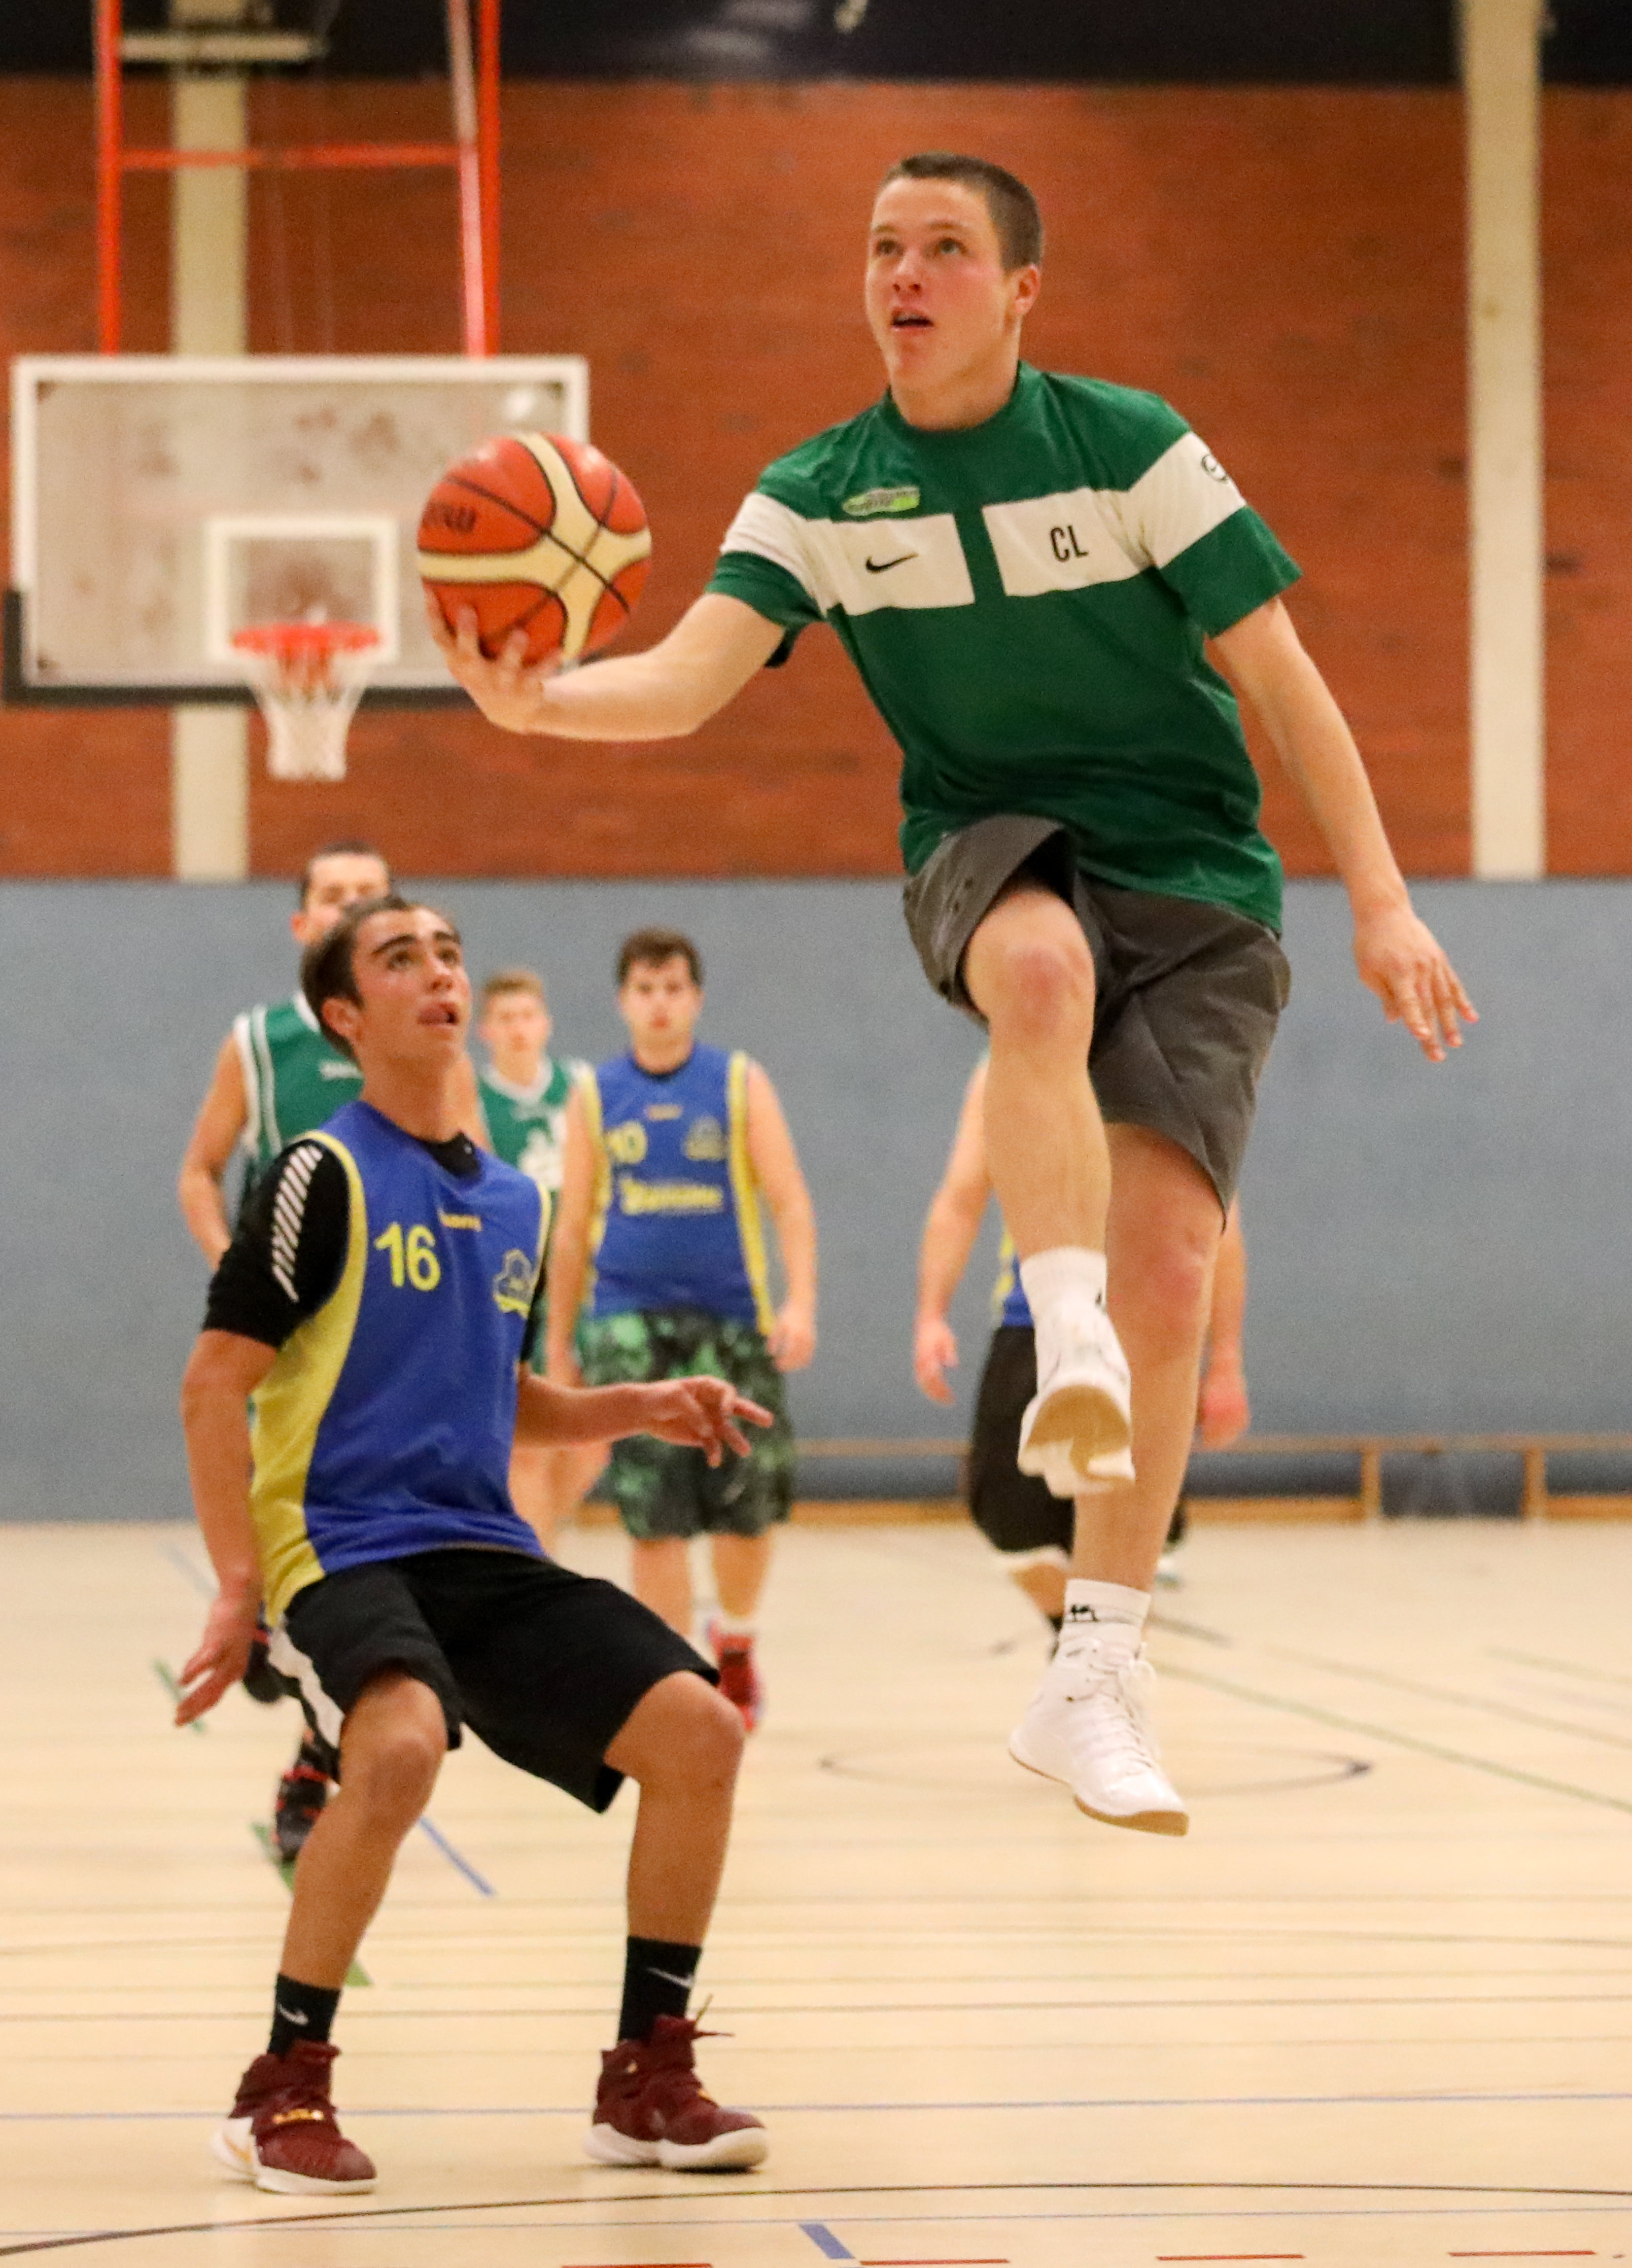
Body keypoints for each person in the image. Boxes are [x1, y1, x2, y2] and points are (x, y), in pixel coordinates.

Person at [431, 151, 1472, 1837]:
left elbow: (1281, 675)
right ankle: (1063, 1330)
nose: (903, 274)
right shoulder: (818, 492)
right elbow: (690, 678)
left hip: (1199, 871)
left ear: (1019, 290)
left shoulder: (1132, 445)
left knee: (1174, 1259)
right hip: (988, 844)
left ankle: (1095, 1675)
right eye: (881, 248)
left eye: (943, 248)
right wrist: (541, 707)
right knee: (1040, 967)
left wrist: (1383, 897)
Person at [176, 894, 771, 2197]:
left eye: (447, 952)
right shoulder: (318, 1174)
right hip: (340, 1540)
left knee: (700, 1732)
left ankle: (644, 2078)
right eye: (401, 958)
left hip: (480, 1545)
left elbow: (498, 1388)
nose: (438, 972)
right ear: (346, 1017)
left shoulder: (511, 1197)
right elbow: (214, 1382)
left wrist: (636, 1405)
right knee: (397, 1747)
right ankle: (282, 2085)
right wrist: (238, 1584)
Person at [176, 840, 487, 1860]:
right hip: (293, 1332)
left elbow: (474, 1172)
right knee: (289, 1552)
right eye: (334, 894)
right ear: (303, 922)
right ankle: (271, 1631)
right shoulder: (258, 1042)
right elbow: (199, 1171)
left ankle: (315, 1761)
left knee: (364, 1558)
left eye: (370, 892)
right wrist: (242, 1272)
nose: (354, 903)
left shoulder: (433, 1037)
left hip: (395, 1330)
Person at [546, 928, 816, 1731]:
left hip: (731, 1320)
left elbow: (788, 1199)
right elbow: (571, 1228)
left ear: (695, 998)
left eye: (673, 987)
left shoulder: (737, 1082)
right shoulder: (595, 1093)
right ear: (623, 1000)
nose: (659, 1002)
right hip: (627, 1324)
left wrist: (800, 1302)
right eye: (645, 988)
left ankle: (736, 1643)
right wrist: (560, 1342)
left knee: (744, 1503)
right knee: (652, 1510)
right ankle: (676, 1673)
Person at [915, 1057, 1251, 1636]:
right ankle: (1080, 1638)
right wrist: (931, 1314)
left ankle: (1101, 1657)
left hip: (1138, 1328)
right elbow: (960, 1198)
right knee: (1006, 1519)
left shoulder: (1169, 1056)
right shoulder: (1008, 1066)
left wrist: (1224, 1362)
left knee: (1124, 1519)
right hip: (1035, 1319)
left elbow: (1219, 1228)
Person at [474, 967, 601, 1552]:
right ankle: (535, 1557)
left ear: (545, 1023)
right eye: (505, 1019)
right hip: (513, 1287)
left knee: (592, 1440)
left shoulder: (580, 1087)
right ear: (485, 1030)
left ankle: (536, 1536)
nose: (518, 1029)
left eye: (527, 1016)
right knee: (526, 1444)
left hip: (583, 1282)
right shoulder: (475, 1100)